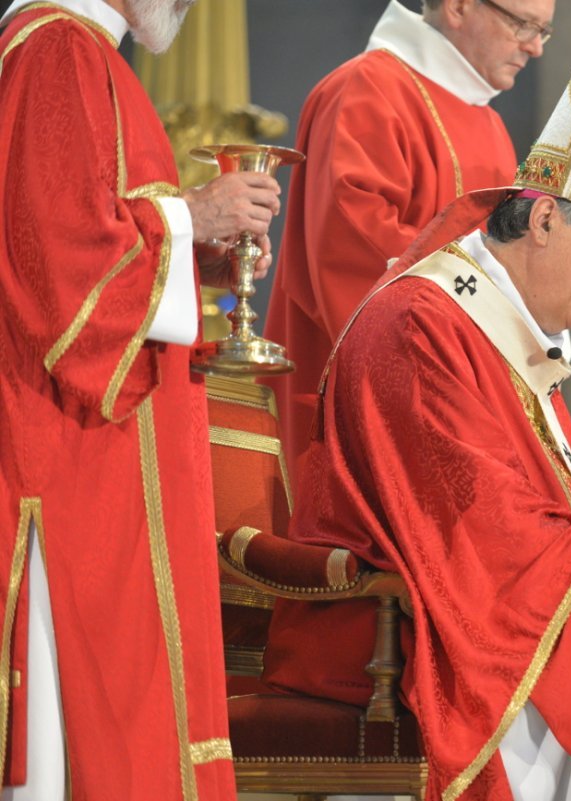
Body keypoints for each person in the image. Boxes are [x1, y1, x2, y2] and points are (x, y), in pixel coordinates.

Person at [261, 58, 571, 801]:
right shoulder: (421, 323)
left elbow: (540, 522)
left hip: (461, 600)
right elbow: (474, 518)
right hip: (387, 628)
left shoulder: (496, 332)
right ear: (548, 217)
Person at [0, 0, 282, 798]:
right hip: (72, 458)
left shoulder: (95, 58)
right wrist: (192, 215)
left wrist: (206, 259)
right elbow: (55, 259)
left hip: (113, 454)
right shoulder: (57, 50)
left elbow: (109, 236)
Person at [264, 0, 552, 471]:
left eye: (545, 32)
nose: (535, 47)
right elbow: (350, 246)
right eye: (523, 25)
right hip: (368, 393)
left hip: (464, 387)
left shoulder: (489, 122)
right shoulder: (367, 88)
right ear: (458, 7)